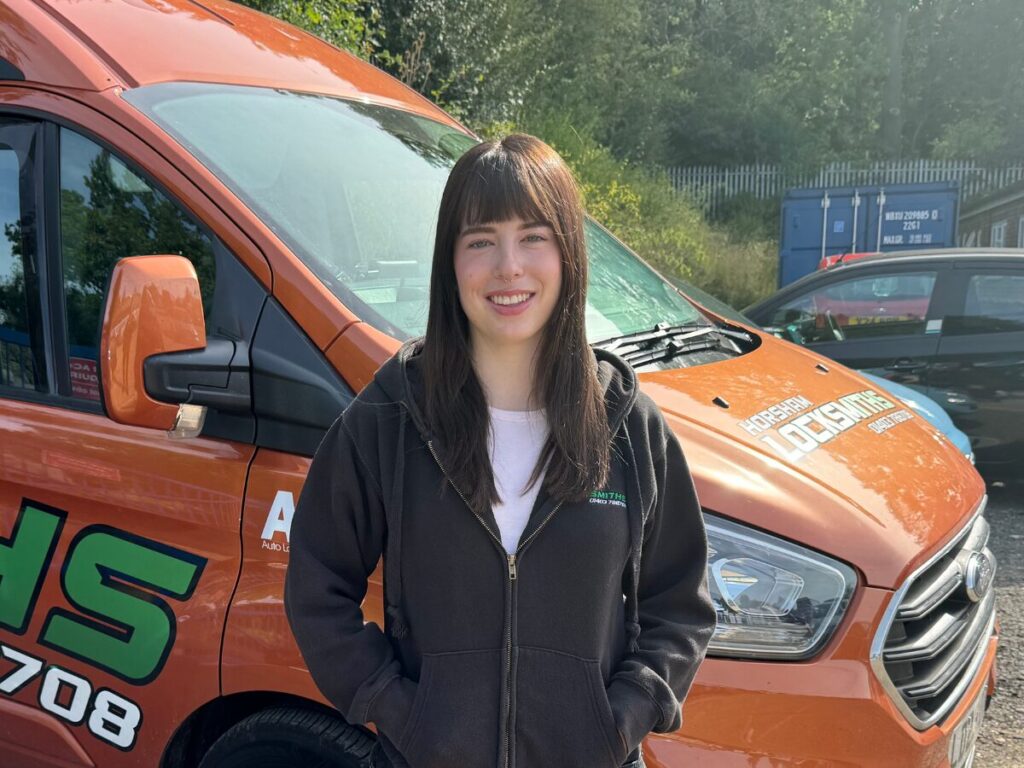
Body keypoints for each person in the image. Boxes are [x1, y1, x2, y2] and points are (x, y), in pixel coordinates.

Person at [284, 134, 716, 768]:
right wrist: (399, 709)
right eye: (480, 240)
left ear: (568, 253)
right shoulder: (389, 419)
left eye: (534, 236)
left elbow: (678, 601)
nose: (508, 266)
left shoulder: (627, 425)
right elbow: (317, 586)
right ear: (450, 262)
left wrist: (620, 722)